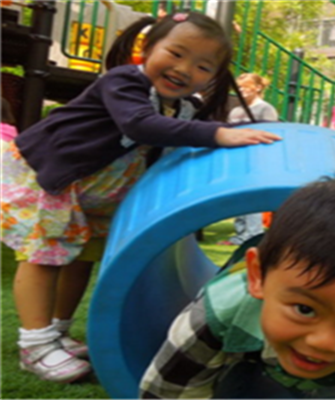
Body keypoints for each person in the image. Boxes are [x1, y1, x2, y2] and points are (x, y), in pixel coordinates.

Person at [0, 11, 281, 384]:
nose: (184, 69)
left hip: (90, 193)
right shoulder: (123, 82)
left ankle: (59, 331)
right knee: (45, 257)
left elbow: (193, 131)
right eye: (176, 53)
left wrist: (247, 133)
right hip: (52, 178)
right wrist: (217, 134)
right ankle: (35, 345)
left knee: (81, 259)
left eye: (202, 66)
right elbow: (138, 124)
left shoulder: (183, 106)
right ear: (147, 49)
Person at [139, 173, 335, 398]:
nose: (324, 342)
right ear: (258, 277)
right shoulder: (215, 313)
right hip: (241, 316)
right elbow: (168, 392)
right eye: (304, 309)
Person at [218, 73, 279, 246]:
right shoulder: (236, 111)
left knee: (252, 195)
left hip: (256, 156)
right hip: (237, 156)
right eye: (239, 88)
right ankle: (241, 234)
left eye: (246, 87)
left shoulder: (265, 109)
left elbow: (269, 133)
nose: (241, 91)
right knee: (239, 194)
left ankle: (252, 234)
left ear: (258, 88)